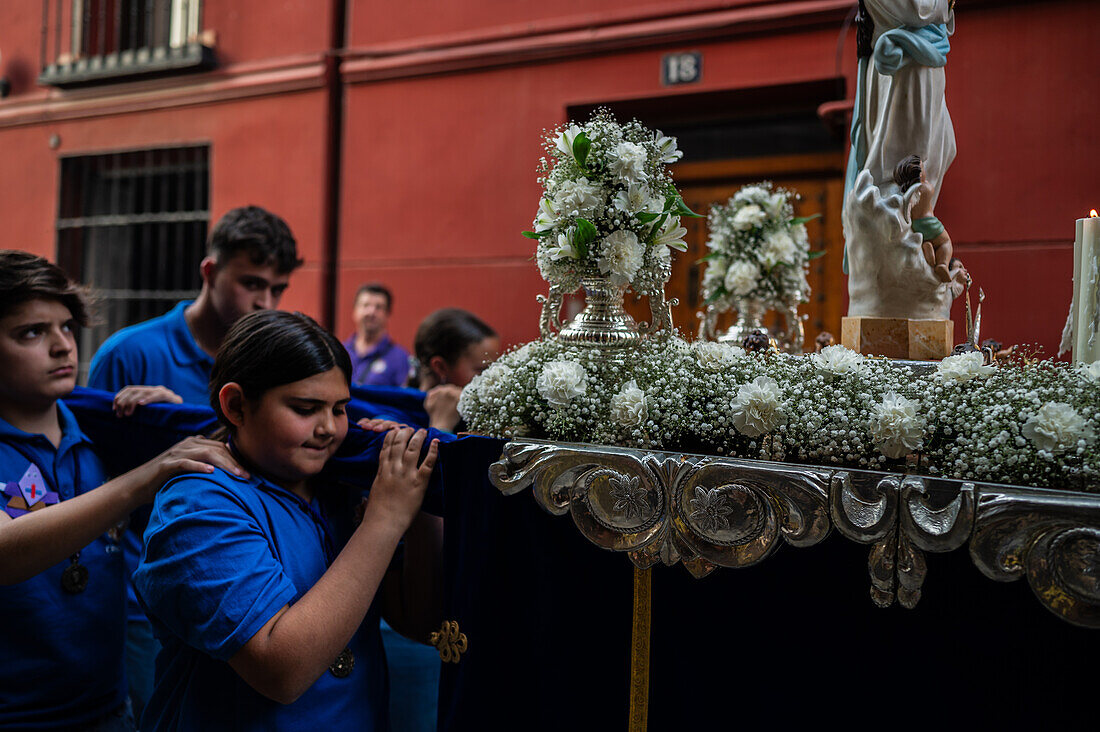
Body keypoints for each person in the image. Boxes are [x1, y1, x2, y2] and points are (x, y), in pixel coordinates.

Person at [134, 310, 441, 731]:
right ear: (236, 405)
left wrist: (420, 495)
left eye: (339, 409)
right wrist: (384, 519)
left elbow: (419, 622)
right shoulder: (199, 505)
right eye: (305, 408)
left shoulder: (336, 484)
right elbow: (283, 671)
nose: (329, 429)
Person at [0, 250, 242, 731]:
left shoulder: (102, 430)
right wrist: (147, 472)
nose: (62, 346)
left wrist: (159, 427)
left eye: (67, 327)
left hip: (109, 709)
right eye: (31, 332)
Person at [87, 205, 302, 720]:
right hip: (143, 602)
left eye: (278, 289)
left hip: (252, 591)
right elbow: (88, 483)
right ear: (209, 271)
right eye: (252, 282)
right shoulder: (129, 353)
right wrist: (154, 428)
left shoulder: (279, 361)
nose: (264, 301)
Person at [413, 308, 500, 433]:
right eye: (482, 371)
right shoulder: (398, 417)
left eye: (496, 369)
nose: (493, 379)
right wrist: (441, 425)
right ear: (440, 367)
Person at [894, 154, 955, 283]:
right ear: (920, 174)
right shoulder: (926, 187)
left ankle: (928, 247)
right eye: (923, 168)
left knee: (930, 240)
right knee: (945, 242)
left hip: (916, 225)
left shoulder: (906, 194)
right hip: (930, 223)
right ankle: (942, 264)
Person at [345, 283, 412, 387]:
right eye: (366, 305)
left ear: (387, 314)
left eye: (379, 307)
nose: (371, 312)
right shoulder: (340, 351)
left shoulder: (400, 358)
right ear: (355, 310)